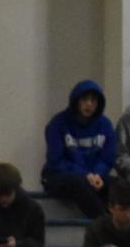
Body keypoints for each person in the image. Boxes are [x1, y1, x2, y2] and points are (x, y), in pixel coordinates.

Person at [43, 80, 117, 218]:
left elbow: (108, 158)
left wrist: (97, 175)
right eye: (84, 99)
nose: (89, 104)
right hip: (59, 177)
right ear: (76, 101)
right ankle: (105, 221)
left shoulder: (105, 125)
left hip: (94, 177)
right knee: (77, 182)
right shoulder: (58, 123)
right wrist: (85, 175)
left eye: (93, 100)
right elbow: (56, 161)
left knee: (119, 185)